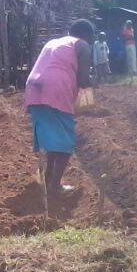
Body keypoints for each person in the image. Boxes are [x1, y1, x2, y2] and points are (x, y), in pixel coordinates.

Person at [25, 19, 94, 194]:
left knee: (52, 139)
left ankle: (48, 177)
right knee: (65, 141)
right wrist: (95, 85)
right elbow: (84, 78)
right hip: (56, 88)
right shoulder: (82, 44)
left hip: (34, 86)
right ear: (86, 34)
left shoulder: (54, 42)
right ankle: (55, 185)